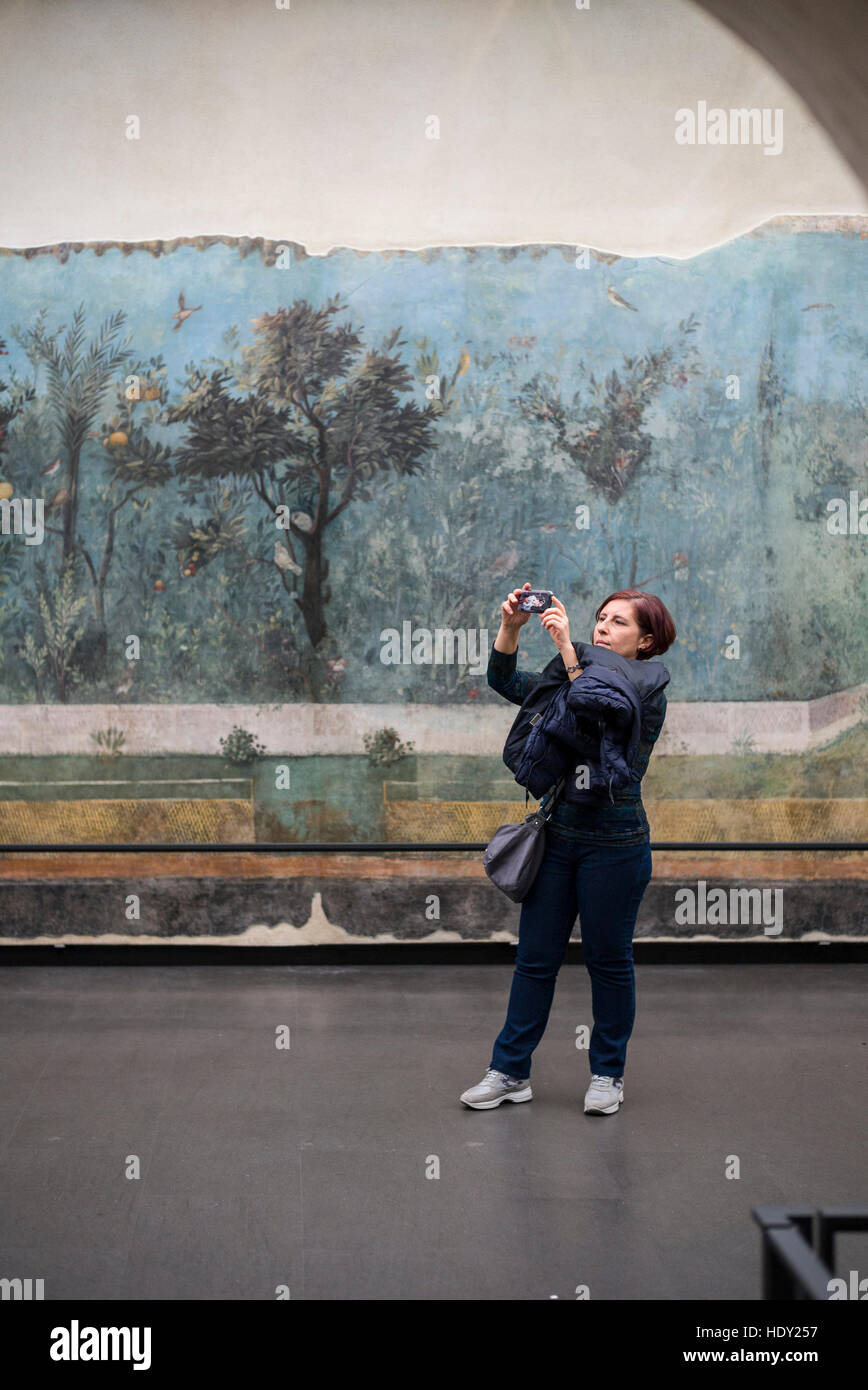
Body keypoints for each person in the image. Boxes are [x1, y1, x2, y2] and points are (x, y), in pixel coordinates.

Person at [461, 581, 676, 1115]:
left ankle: (608, 1074)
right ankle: (510, 1072)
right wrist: (511, 627)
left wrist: (567, 650)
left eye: (619, 622)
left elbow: (595, 720)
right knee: (534, 961)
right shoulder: (567, 672)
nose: (603, 625)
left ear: (645, 642)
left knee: (608, 961)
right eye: (601, 617)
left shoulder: (647, 692)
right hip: (559, 839)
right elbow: (505, 680)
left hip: (616, 846)